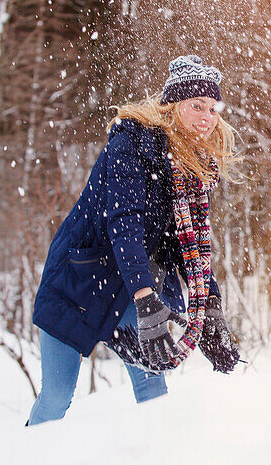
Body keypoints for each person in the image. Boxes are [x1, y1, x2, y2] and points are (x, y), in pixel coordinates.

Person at [27, 55, 242, 425]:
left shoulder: (193, 170)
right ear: (173, 105)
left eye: (212, 109)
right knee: (57, 395)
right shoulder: (130, 144)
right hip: (80, 279)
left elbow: (189, 249)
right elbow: (123, 224)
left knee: (152, 388)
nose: (206, 117)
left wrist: (211, 311)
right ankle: (28, 461)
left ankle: (153, 461)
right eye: (196, 106)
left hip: (132, 284)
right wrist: (146, 301)